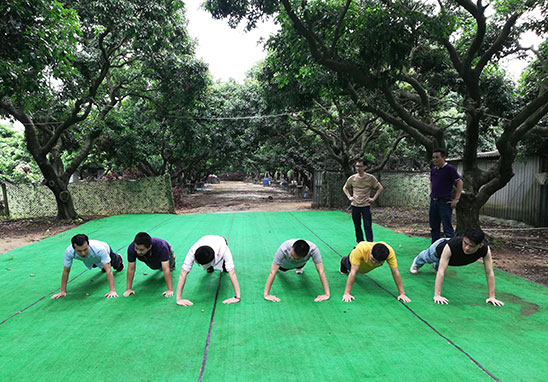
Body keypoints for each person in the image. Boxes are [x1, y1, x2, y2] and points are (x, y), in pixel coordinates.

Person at [410, 228, 504, 306]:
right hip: (438, 250)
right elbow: (442, 271)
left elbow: (489, 272)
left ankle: (435, 264)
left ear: (480, 245)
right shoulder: (452, 245)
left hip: (452, 260)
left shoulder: (485, 250)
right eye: (465, 243)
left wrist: (492, 297)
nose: (466, 248)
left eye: (471, 246)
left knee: (440, 264)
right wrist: (437, 295)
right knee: (427, 258)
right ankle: (417, 262)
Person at [51, 234, 124, 299]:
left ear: (88, 244)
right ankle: (101, 265)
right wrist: (62, 291)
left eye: (85, 249)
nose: (83, 253)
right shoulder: (69, 252)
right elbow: (66, 271)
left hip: (105, 252)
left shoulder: (100, 249)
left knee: (116, 265)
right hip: (91, 259)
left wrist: (112, 291)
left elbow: (109, 270)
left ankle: (118, 258)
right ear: (74, 248)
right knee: (95, 265)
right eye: (79, 251)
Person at [176, 235, 241, 306]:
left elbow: (232, 273)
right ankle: (210, 267)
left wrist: (237, 297)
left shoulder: (224, 249)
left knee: (227, 269)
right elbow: (183, 273)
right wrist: (179, 299)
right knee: (207, 263)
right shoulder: (193, 250)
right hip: (205, 239)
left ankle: (223, 265)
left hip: (220, 240)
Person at [339, 241, 410, 303]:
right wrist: (347, 293)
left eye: (377, 262)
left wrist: (402, 293)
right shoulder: (361, 250)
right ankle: (343, 261)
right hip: (353, 260)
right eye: (372, 259)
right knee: (351, 267)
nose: (373, 262)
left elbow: (395, 272)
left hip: (365, 268)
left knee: (362, 270)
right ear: (370, 252)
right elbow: (353, 272)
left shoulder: (389, 253)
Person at [264, 239, 330, 302]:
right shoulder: (284, 248)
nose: (292, 258)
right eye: (291, 255)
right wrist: (266, 295)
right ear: (292, 248)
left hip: (301, 264)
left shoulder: (313, 249)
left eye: (296, 258)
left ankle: (299, 266)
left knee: (299, 264)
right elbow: (272, 271)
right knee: (280, 269)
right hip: (284, 265)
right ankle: (294, 264)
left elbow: (321, 271)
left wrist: (327, 294)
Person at [123, 232, 176, 298]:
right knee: (154, 266)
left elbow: (166, 269)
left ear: (149, 247)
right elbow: (131, 268)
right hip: (148, 256)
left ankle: (172, 256)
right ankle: (155, 261)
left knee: (169, 266)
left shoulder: (162, 247)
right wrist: (128, 289)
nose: (138, 252)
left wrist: (170, 289)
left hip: (164, 250)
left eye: (141, 249)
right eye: (136, 248)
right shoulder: (131, 248)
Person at [343, 159, 384, 243]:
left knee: (367, 225)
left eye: (360, 166)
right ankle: (360, 243)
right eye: (357, 166)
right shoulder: (352, 178)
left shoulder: (370, 178)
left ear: (365, 167)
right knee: (357, 226)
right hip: (355, 205)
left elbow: (380, 188)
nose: (358, 168)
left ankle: (370, 243)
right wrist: (349, 197)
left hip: (365, 205)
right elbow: (345, 187)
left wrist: (373, 198)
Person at [429, 148, 463, 242]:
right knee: (434, 226)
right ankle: (434, 248)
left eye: (437, 157)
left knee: (447, 226)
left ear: (443, 158)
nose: (435, 159)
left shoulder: (450, 169)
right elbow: (432, 182)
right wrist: (431, 193)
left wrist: (456, 199)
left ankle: (451, 248)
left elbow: (459, 182)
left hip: (445, 201)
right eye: (433, 158)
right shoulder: (433, 170)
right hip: (434, 201)